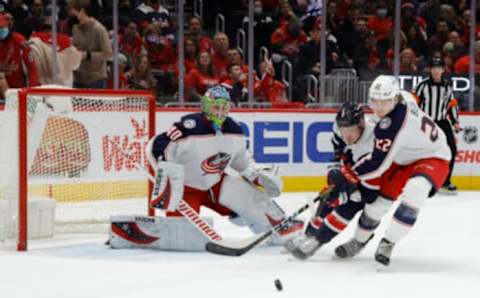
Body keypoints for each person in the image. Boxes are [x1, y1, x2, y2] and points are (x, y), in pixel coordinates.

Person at [109, 86, 303, 251]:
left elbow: (242, 160)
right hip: (185, 190)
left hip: (214, 185)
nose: (220, 111)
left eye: (224, 107)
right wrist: (164, 170)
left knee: (250, 196)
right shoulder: (189, 126)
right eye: (215, 106)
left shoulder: (234, 130)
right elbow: (158, 145)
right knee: (185, 236)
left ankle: (278, 227)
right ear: (205, 106)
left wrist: (258, 174)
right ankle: (128, 231)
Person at [332, 75, 451, 266]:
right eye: (375, 101)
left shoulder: (390, 125)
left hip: (433, 155)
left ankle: (389, 242)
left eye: (385, 101)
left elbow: (378, 165)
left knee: (415, 191)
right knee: (378, 205)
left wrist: (350, 174)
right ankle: (359, 241)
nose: (378, 107)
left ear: (395, 99)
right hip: (405, 156)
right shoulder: (404, 96)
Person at [284, 103, 378, 259]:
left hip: (374, 179)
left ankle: (359, 241)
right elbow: (337, 157)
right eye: (344, 131)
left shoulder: (374, 137)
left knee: (362, 209)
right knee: (329, 196)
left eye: (351, 130)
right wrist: (335, 174)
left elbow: (377, 169)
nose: (347, 135)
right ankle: (309, 236)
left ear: (361, 125)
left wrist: (353, 187)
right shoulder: (338, 132)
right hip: (352, 170)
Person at [413, 57, 461, 195]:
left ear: (442, 70)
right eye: (433, 68)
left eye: (438, 68)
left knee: (451, 149)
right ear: (430, 69)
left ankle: (445, 182)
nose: (435, 70)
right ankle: (419, 180)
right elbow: (413, 103)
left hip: (442, 121)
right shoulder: (422, 86)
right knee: (421, 151)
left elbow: (451, 105)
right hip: (425, 121)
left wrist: (455, 122)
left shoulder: (447, 86)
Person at [69, 0, 112, 89]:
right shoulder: (75, 29)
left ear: (82, 12)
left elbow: (108, 53)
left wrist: (87, 55)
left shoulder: (99, 29)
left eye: (74, 11)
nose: (71, 14)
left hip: (96, 79)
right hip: (78, 78)